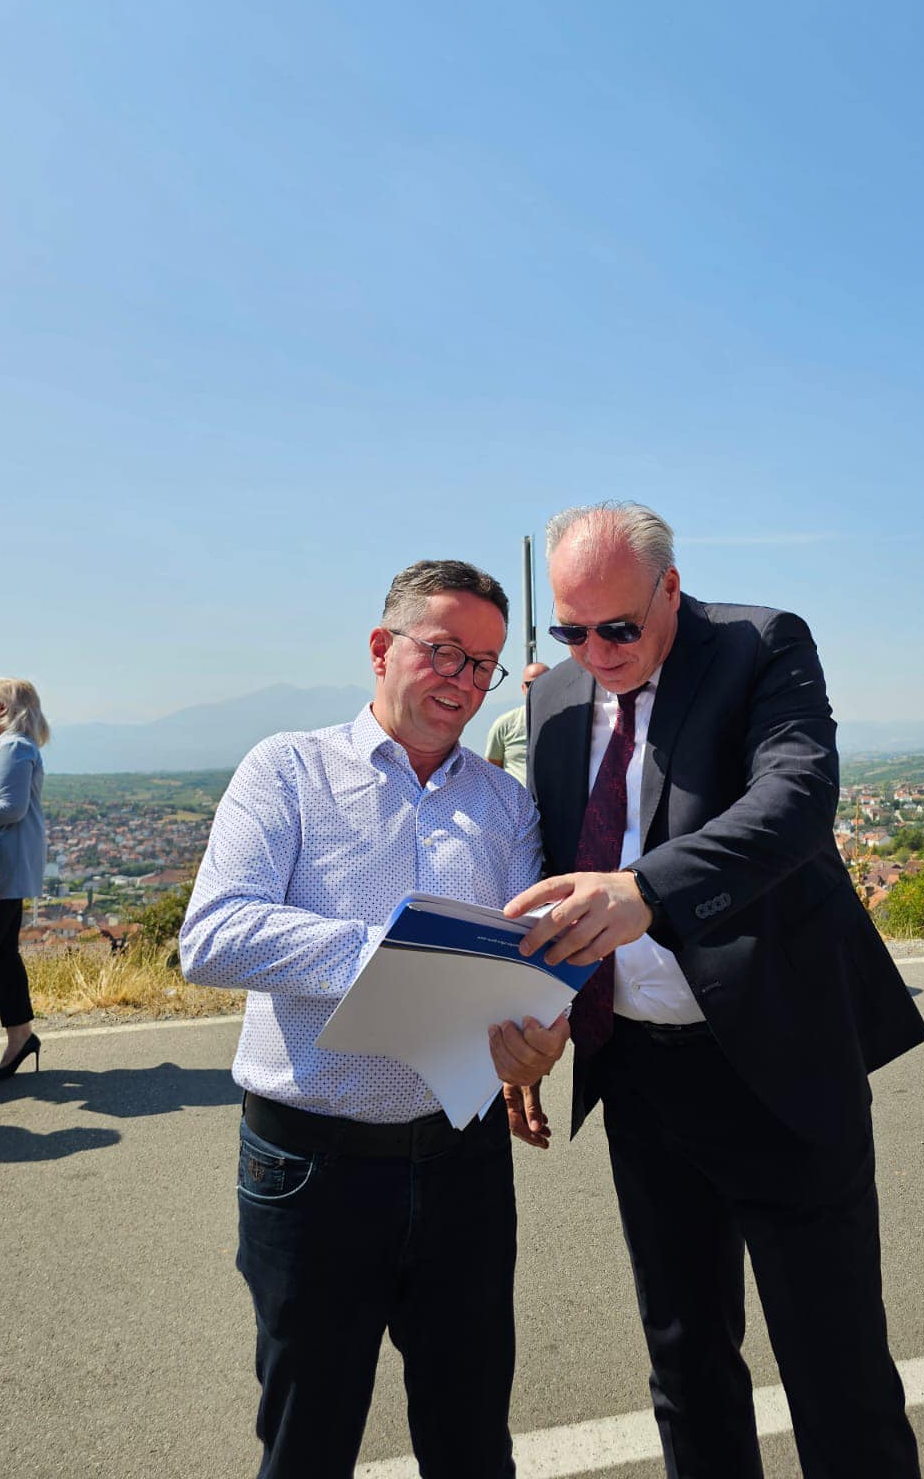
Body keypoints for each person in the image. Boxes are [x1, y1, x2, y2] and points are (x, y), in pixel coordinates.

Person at [504, 503, 924, 1479]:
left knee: (837, 1374)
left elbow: (795, 801)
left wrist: (646, 890)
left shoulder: (759, 645)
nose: (596, 654)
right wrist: (531, 1017)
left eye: (619, 628)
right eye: (573, 631)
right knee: (685, 1365)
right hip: (640, 1076)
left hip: (776, 1064)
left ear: (671, 587)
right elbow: (549, 868)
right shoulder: (554, 698)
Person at [180, 560, 569, 1479]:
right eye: (444, 651)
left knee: (473, 1442)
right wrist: (397, 957)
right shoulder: (288, 769)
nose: (465, 680)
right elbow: (214, 935)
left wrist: (541, 1038)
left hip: (464, 1161)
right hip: (311, 1168)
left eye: (484, 664)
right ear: (380, 647)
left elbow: (529, 969)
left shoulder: (506, 805)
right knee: (307, 1444)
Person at [0, 678, 49, 1082]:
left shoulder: (12, 746)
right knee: (2, 956)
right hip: (6, 870)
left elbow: (10, 808)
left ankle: (18, 1037)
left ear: (1, 709)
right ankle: (20, 1036)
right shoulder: (13, 745)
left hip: (0, 870)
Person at [485, 661, 550, 785]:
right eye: (532, 684)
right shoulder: (504, 724)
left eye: (544, 683)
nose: (538, 689)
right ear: (523, 688)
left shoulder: (567, 723)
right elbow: (491, 771)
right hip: (515, 796)